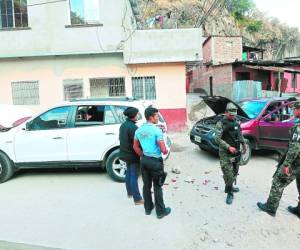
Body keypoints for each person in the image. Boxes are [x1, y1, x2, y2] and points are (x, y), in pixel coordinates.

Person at [257, 102, 300, 217]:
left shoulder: (298, 127)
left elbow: (295, 148)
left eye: (294, 109)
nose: (292, 111)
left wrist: (286, 164)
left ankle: (270, 207)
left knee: (278, 181)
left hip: (296, 162)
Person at [133, 107, 171, 219]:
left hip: (144, 160)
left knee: (146, 185)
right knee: (158, 186)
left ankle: (148, 209)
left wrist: (143, 155)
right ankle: (160, 212)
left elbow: (135, 146)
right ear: (151, 117)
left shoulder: (139, 130)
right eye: (156, 115)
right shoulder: (156, 131)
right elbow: (163, 149)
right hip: (155, 161)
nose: (158, 117)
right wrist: (165, 150)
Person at [215, 103, 246, 205]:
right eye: (231, 114)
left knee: (235, 172)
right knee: (228, 173)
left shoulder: (236, 121)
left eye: (234, 114)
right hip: (225, 153)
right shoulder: (221, 124)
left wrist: (244, 145)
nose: (233, 116)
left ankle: (230, 186)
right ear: (226, 113)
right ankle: (229, 193)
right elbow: (217, 139)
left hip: (236, 152)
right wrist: (228, 147)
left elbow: (240, 134)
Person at [119, 107, 144, 205]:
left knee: (128, 173)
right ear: (133, 116)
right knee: (134, 176)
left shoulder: (123, 125)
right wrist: (142, 153)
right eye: (137, 114)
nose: (138, 115)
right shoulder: (133, 128)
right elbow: (137, 143)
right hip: (132, 155)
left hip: (124, 153)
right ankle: (137, 199)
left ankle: (130, 193)